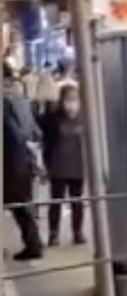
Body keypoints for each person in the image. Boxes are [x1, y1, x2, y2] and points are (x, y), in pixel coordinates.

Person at [39, 84, 88, 246]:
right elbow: (43, 135)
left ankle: (77, 232)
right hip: (58, 166)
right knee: (56, 201)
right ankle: (54, 234)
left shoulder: (85, 118)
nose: (71, 104)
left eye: (74, 100)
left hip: (78, 165)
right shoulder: (53, 118)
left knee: (77, 201)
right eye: (68, 100)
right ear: (61, 101)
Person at [4, 93, 43, 260]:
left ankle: (34, 245)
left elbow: (13, 134)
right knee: (22, 206)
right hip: (23, 162)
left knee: (20, 207)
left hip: (10, 164)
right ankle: (34, 244)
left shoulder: (5, 107)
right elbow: (36, 133)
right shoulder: (22, 103)